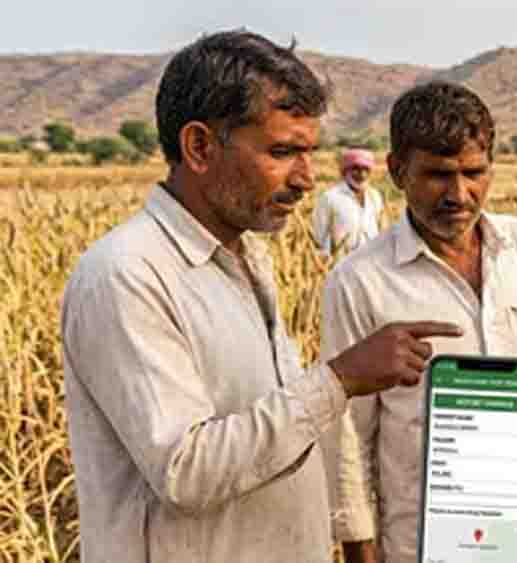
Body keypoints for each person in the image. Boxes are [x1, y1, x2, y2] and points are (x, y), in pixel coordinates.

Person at [60, 31, 460, 563]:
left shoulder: (246, 258)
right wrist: (339, 380)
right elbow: (186, 469)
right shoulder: (127, 274)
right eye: (282, 152)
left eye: (308, 153)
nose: (306, 179)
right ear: (199, 147)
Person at [322, 81, 517, 563]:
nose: (458, 194)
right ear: (397, 171)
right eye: (437, 175)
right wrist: (360, 550)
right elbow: (349, 435)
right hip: (423, 545)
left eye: (473, 173)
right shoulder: (359, 281)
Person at [312, 147, 385, 256]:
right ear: (345, 171)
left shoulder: (375, 196)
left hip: (369, 259)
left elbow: (379, 230)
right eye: (356, 169)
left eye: (366, 169)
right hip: (339, 261)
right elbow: (318, 236)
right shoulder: (330, 197)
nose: (362, 174)